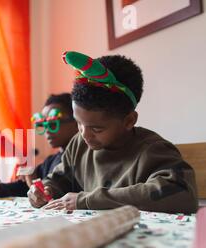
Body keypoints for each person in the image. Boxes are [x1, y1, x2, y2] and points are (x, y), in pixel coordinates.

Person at [28, 51, 198, 213]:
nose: (85, 134)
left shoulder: (153, 150)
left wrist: (89, 200)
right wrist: (46, 190)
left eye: (96, 128)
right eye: (79, 123)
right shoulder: (78, 144)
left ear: (129, 121)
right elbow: (60, 178)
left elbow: (182, 194)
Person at [0, 93, 78, 197]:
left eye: (53, 124)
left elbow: (62, 195)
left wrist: (33, 182)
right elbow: (24, 188)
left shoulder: (80, 160)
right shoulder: (50, 161)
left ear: (77, 121)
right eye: (42, 125)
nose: (47, 131)